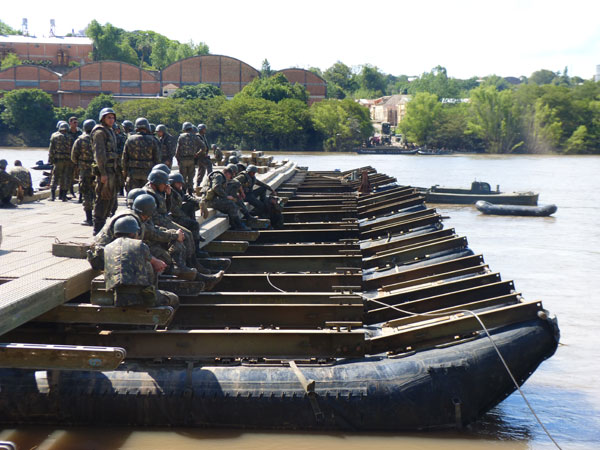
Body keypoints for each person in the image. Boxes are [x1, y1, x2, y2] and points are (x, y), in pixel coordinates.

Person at [103, 215, 179, 308]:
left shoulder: (107, 248)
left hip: (118, 298)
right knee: (174, 298)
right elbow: (156, 264)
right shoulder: (140, 245)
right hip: (141, 297)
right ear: (133, 233)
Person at [91, 107, 119, 235]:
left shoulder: (110, 131)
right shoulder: (99, 132)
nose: (111, 120)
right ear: (102, 118)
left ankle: (104, 227)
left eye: (113, 117)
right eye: (109, 117)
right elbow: (99, 154)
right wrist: (102, 173)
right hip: (105, 170)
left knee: (110, 199)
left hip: (112, 169)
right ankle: (97, 228)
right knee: (102, 198)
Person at [201, 164, 249, 230]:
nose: (230, 178)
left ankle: (234, 225)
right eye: (230, 176)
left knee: (233, 203)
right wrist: (226, 196)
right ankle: (239, 226)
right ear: (227, 173)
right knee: (231, 205)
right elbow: (216, 187)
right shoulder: (219, 176)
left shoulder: (218, 176)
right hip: (208, 201)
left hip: (211, 199)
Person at [122, 117, 161, 192]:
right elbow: (157, 159)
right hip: (148, 173)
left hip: (133, 173)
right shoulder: (153, 140)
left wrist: (125, 173)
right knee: (148, 196)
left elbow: (124, 158)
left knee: (133, 195)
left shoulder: (130, 139)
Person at [71, 119, 96, 225]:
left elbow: (73, 156)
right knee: (97, 194)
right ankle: (98, 218)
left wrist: (80, 163)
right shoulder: (99, 138)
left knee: (86, 194)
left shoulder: (80, 140)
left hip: (85, 170)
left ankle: (89, 218)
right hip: (97, 170)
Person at [48, 121, 73, 202]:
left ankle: (52, 195)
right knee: (65, 177)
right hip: (68, 160)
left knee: (55, 177)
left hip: (58, 160)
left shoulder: (54, 136)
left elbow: (51, 149)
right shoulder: (70, 137)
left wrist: (50, 160)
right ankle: (63, 196)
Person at [175, 122, 199, 195]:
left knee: (183, 177)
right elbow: (203, 147)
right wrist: (197, 154)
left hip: (182, 160)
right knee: (191, 177)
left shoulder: (181, 137)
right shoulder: (195, 137)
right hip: (191, 160)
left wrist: (178, 160)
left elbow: (177, 151)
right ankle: (190, 193)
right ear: (191, 128)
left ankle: (183, 193)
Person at [195, 123, 212, 189]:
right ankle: (210, 181)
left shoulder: (202, 136)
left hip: (203, 156)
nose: (205, 130)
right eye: (204, 129)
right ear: (201, 130)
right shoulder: (198, 136)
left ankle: (198, 184)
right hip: (201, 156)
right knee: (208, 166)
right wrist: (198, 154)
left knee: (201, 170)